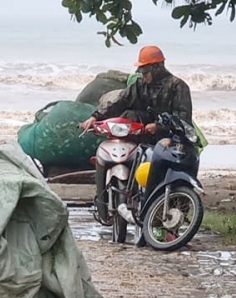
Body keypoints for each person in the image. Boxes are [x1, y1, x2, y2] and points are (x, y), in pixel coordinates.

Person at [79, 45, 194, 216]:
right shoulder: (139, 85)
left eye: (145, 71)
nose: (143, 75)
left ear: (157, 68)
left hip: (169, 142)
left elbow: (183, 118)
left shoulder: (177, 86)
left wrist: (159, 126)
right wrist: (95, 117)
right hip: (141, 138)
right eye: (141, 71)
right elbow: (120, 103)